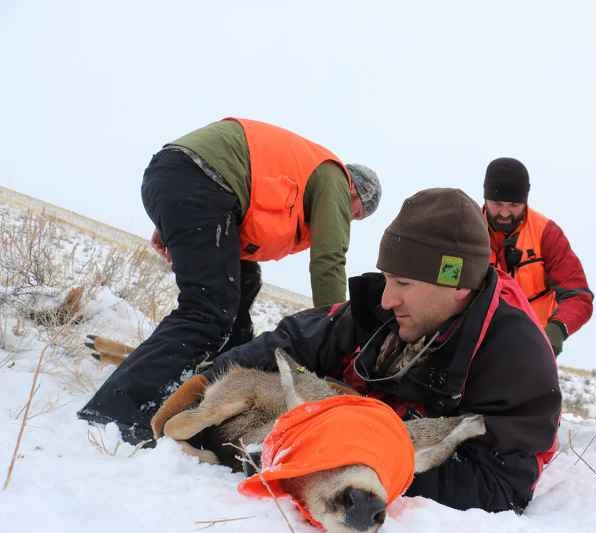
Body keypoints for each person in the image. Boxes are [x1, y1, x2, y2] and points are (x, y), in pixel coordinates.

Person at [151, 188, 561, 513]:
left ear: (456, 283)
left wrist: (359, 455)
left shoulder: (517, 358)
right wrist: (209, 379)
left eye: (403, 283)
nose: (387, 299)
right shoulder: (376, 313)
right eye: (387, 280)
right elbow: (294, 338)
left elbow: (503, 487)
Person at [77, 118, 381, 443]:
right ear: (356, 192)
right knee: (207, 312)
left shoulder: (307, 176)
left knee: (241, 293)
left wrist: (174, 220)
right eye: (356, 213)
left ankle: (211, 391)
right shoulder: (336, 179)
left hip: (183, 180)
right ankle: (112, 414)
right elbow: (329, 259)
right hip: (204, 181)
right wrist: (330, 331)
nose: (349, 219)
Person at [482, 157, 593, 356]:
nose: (505, 213)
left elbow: (578, 296)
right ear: (485, 198)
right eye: (497, 204)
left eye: (514, 205)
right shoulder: (464, 230)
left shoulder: (547, 234)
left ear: (525, 200)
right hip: (474, 341)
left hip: (529, 346)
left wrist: (556, 331)